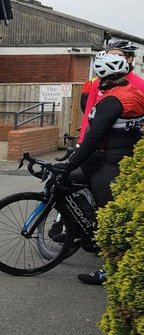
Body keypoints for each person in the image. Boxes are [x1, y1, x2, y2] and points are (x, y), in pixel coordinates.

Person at [60, 52, 144, 285]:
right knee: (65, 181)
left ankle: (110, 270)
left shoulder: (111, 100)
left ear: (103, 77)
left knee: (110, 220)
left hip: (108, 163)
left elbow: (93, 138)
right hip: (115, 160)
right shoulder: (133, 93)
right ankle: (82, 229)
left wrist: (69, 163)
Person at [78, 40, 144, 141]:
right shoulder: (97, 83)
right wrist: (82, 140)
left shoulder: (140, 84)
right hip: (96, 141)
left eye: (117, 55)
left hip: (126, 142)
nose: (112, 59)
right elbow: (88, 113)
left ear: (129, 58)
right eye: (108, 55)